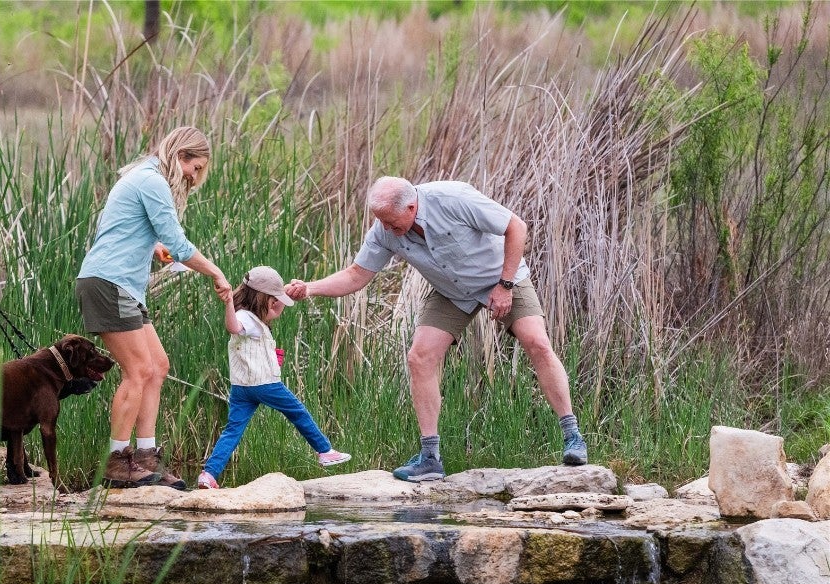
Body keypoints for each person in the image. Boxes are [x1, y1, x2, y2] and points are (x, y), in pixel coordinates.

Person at [284, 176, 588, 482]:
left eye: (390, 221)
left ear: (411, 207)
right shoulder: (384, 230)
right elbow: (355, 275)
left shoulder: (452, 198)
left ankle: (573, 437)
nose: (385, 228)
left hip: (502, 277)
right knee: (420, 357)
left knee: (537, 343)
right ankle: (430, 458)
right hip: (452, 292)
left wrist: (505, 285)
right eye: (381, 221)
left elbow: (516, 227)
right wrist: (310, 288)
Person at [76, 126, 231, 489]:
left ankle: (146, 457)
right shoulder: (152, 180)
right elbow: (179, 243)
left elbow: (129, 228)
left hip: (125, 286)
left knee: (158, 366)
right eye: (195, 168)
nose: (194, 178)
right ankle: (117, 461)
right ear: (180, 156)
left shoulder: (144, 175)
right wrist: (215, 272)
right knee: (138, 370)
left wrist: (153, 246)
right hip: (108, 282)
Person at [197, 267, 351, 489]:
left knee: (233, 430)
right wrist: (228, 303)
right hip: (265, 384)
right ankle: (324, 451)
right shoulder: (244, 318)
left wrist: (285, 292)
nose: (277, 305)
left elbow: (273, 311)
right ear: (262, 299)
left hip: (242, 388)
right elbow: (233, 327)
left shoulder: (254, 316)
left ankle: (209, 474)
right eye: (274, 300)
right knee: (297, 412)